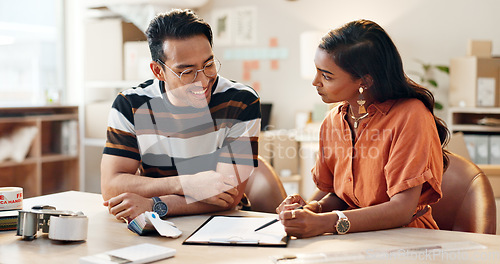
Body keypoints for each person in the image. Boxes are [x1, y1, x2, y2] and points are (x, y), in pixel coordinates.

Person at [276, 19, 449, 238]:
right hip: (354, 239)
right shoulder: (332, 121)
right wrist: (309, 210)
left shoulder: (411, 116)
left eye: (326, 76)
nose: (315, 82)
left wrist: (326, 222)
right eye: (317, 71)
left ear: (364, 82)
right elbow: (337, 195)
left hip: (407, 241)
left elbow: (402, 210)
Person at [101, 9, 261, 222]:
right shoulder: (130, 105)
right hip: (153, 226)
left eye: (209, 64)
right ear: (158, 71)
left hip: (221, 223)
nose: (203, 81)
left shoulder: (241, 101)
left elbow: (228, 197)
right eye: (187, 71)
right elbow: (111, 187)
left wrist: (154, 204)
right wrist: (185, 184)